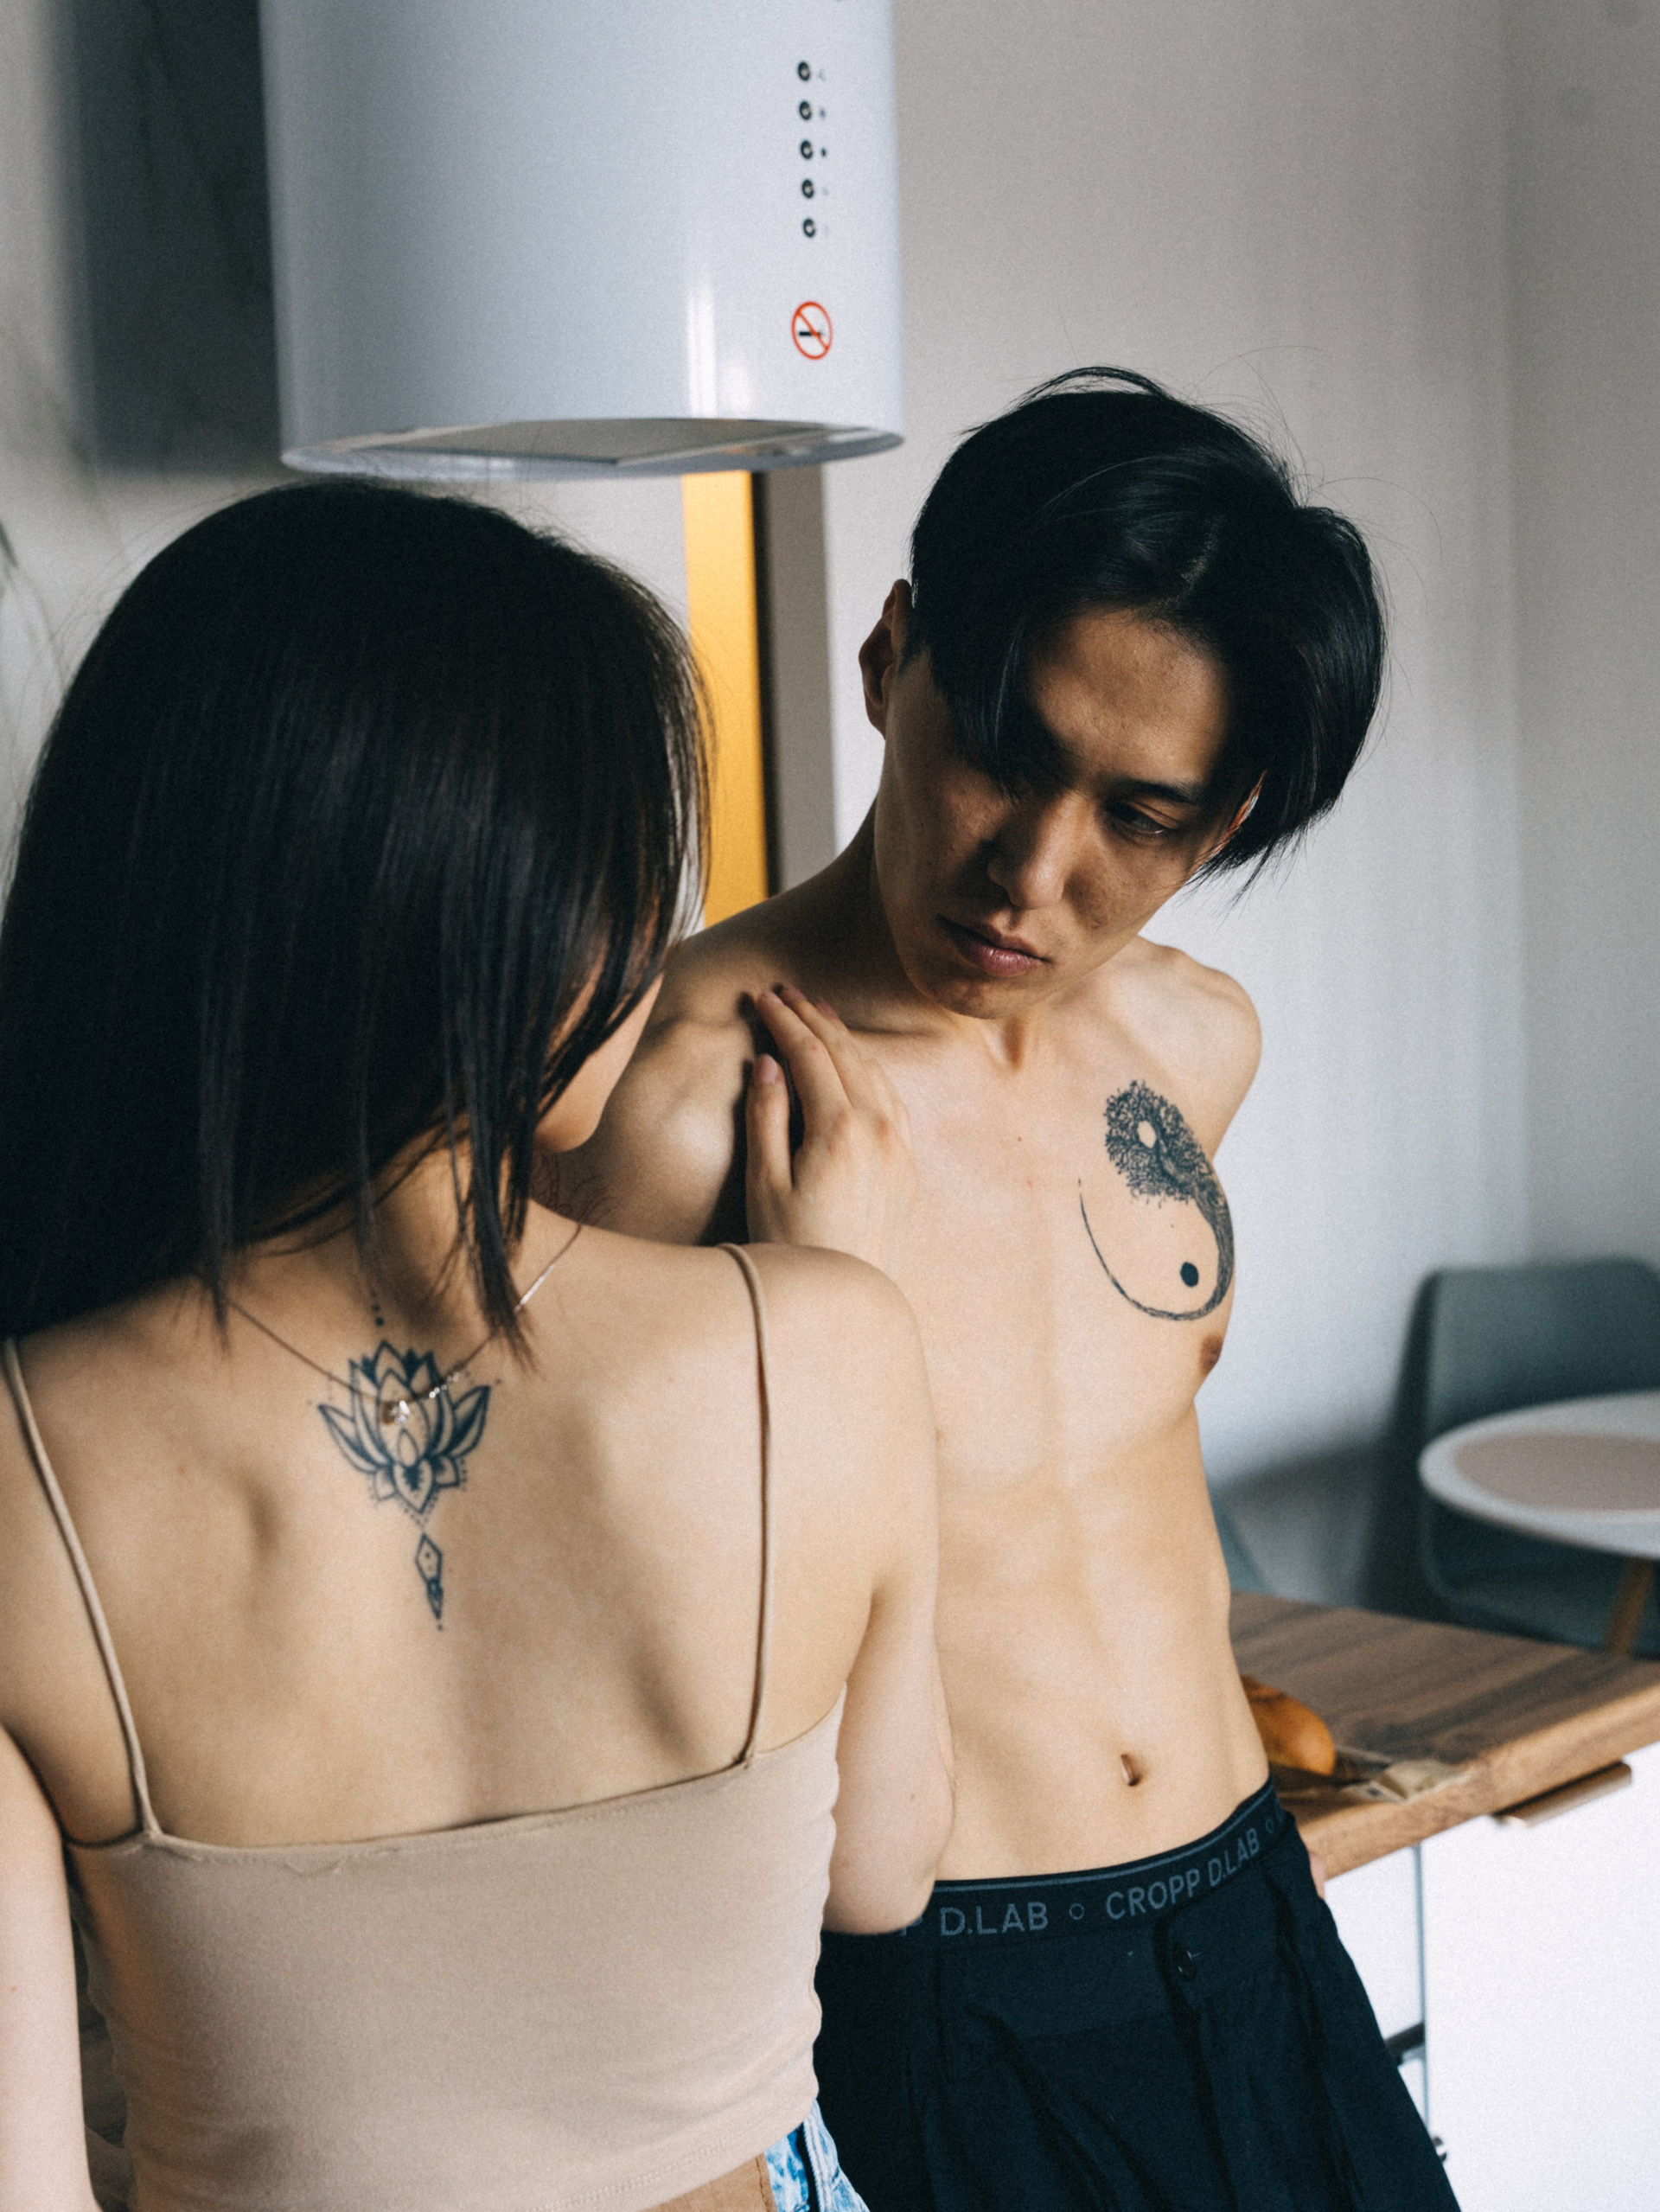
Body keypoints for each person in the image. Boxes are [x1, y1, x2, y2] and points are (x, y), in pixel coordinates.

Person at [0, 481, 952, 2212]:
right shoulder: (827, 1346)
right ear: (524, 917)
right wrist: (826, 1295)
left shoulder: (26, 1465)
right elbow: (880, 1872)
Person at [565, 369, 1460, 2208]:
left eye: (1140, 815)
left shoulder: (1194, 1047)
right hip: (946, 1981)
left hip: (1252, 1903)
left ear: (1225, 822)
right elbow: (581, 1660)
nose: (1033, 872)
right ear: (891, 658)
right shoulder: (680, 1100)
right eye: (998, 746)